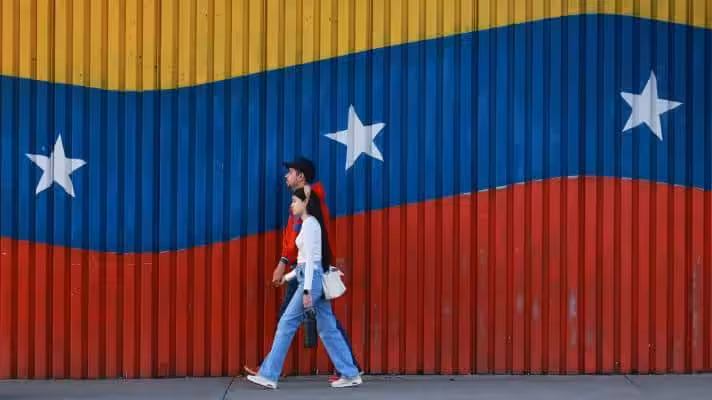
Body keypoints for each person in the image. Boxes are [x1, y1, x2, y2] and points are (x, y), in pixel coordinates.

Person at [243, 156, 361, 381]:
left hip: (307, 269)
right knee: (326, 323)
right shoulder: (308, 199)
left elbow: (298, 237)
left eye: (290, 172)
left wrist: (284, 264)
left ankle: (269, 371)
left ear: (301, 176)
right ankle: (350, 369)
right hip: (307, 269)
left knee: (288, 321)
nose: (286, 176)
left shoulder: (305, 202)